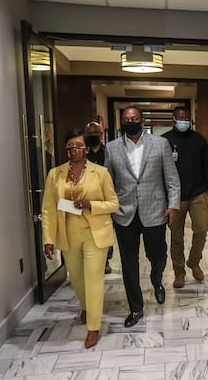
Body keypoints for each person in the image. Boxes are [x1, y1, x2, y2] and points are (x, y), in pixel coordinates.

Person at [41, 128, 119, 349]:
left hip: (95, 233)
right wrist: (48, 238)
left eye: (78, 146)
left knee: (94, 280)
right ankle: (86, 306)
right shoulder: (55, 174)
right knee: (77, 278)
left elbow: (113, 203)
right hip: (68, 234)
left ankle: (93, 327)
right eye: (70, 147)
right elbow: (48, 209)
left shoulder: (100, 172)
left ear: (86, 149)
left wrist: (90, 205)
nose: (74, 150)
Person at [104, 106, 180, 328]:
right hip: (124, 213)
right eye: (126, 119)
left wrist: (173, 205)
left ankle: (157, 280)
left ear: (141, 120)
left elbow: (172, 179)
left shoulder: (160, 144)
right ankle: (136, 308)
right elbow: (107, 182)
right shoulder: (111, 148)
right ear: (121, 121)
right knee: (129, 264)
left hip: (155, 211)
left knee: (158, 255)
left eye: (134, 118)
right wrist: (110, 207)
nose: (130, 121)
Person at [161, 106, 208, 288]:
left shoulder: (199, 140)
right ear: (174, 119)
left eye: (186, 118)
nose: (183, 121)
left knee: (201, 229)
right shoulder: (165, 141)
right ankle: (179, 272)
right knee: (176, 235)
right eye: (180, 118)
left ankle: (194, 262)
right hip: (174, 196)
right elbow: (159, 171)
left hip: (198, 192)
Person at [84, 119, 113, 274]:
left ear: (102, 135)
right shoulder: (82, 152)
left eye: (96, 133)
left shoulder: (108, 152)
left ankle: (106, 260)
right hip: (85, 197)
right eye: (90, 133)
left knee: (104, 230)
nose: (93, 136)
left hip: (104, 198)